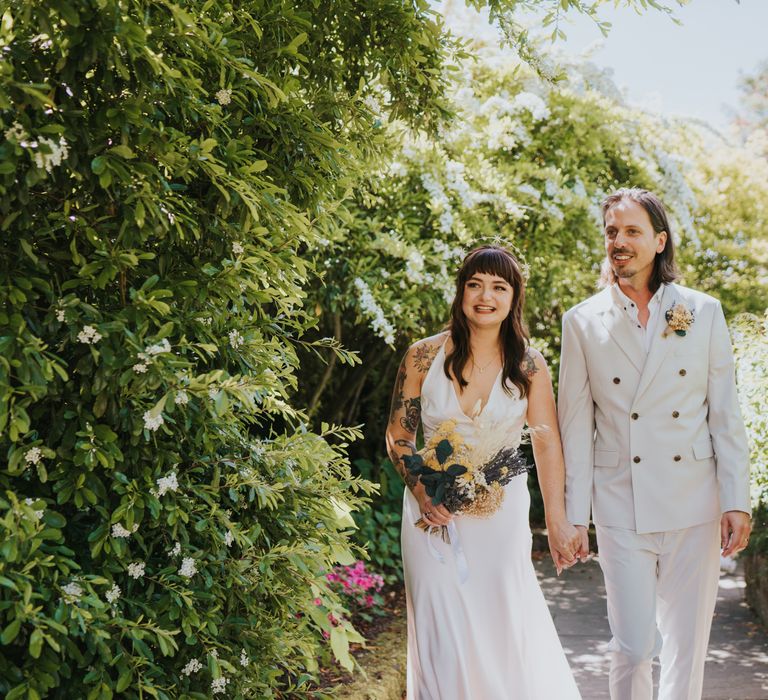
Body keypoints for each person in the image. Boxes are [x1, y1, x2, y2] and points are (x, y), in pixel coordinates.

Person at [558, 188, 752, 700]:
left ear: (659, 240)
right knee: (634, 644)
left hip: (694, 498)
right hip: (621, 500)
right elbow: (575, 425)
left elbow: (724, 414)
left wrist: (736, 500)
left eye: (631, 231)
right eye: (612, 232)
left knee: (687, 645)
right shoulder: (581, 321)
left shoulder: (703, 311)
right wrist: (575, 515)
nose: (619, 242)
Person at [386, 244, 582, 700]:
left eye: (499, 286)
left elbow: (547, 443)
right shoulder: (422, 356)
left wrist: (557, 520)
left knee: (500, 625)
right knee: (439, 626)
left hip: (501, 516)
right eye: (474, 284)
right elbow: (399, 435)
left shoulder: (529, 365)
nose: (485, 296)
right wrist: (420, 490)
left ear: (514, 297)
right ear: (460, 292)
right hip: (431, 515)